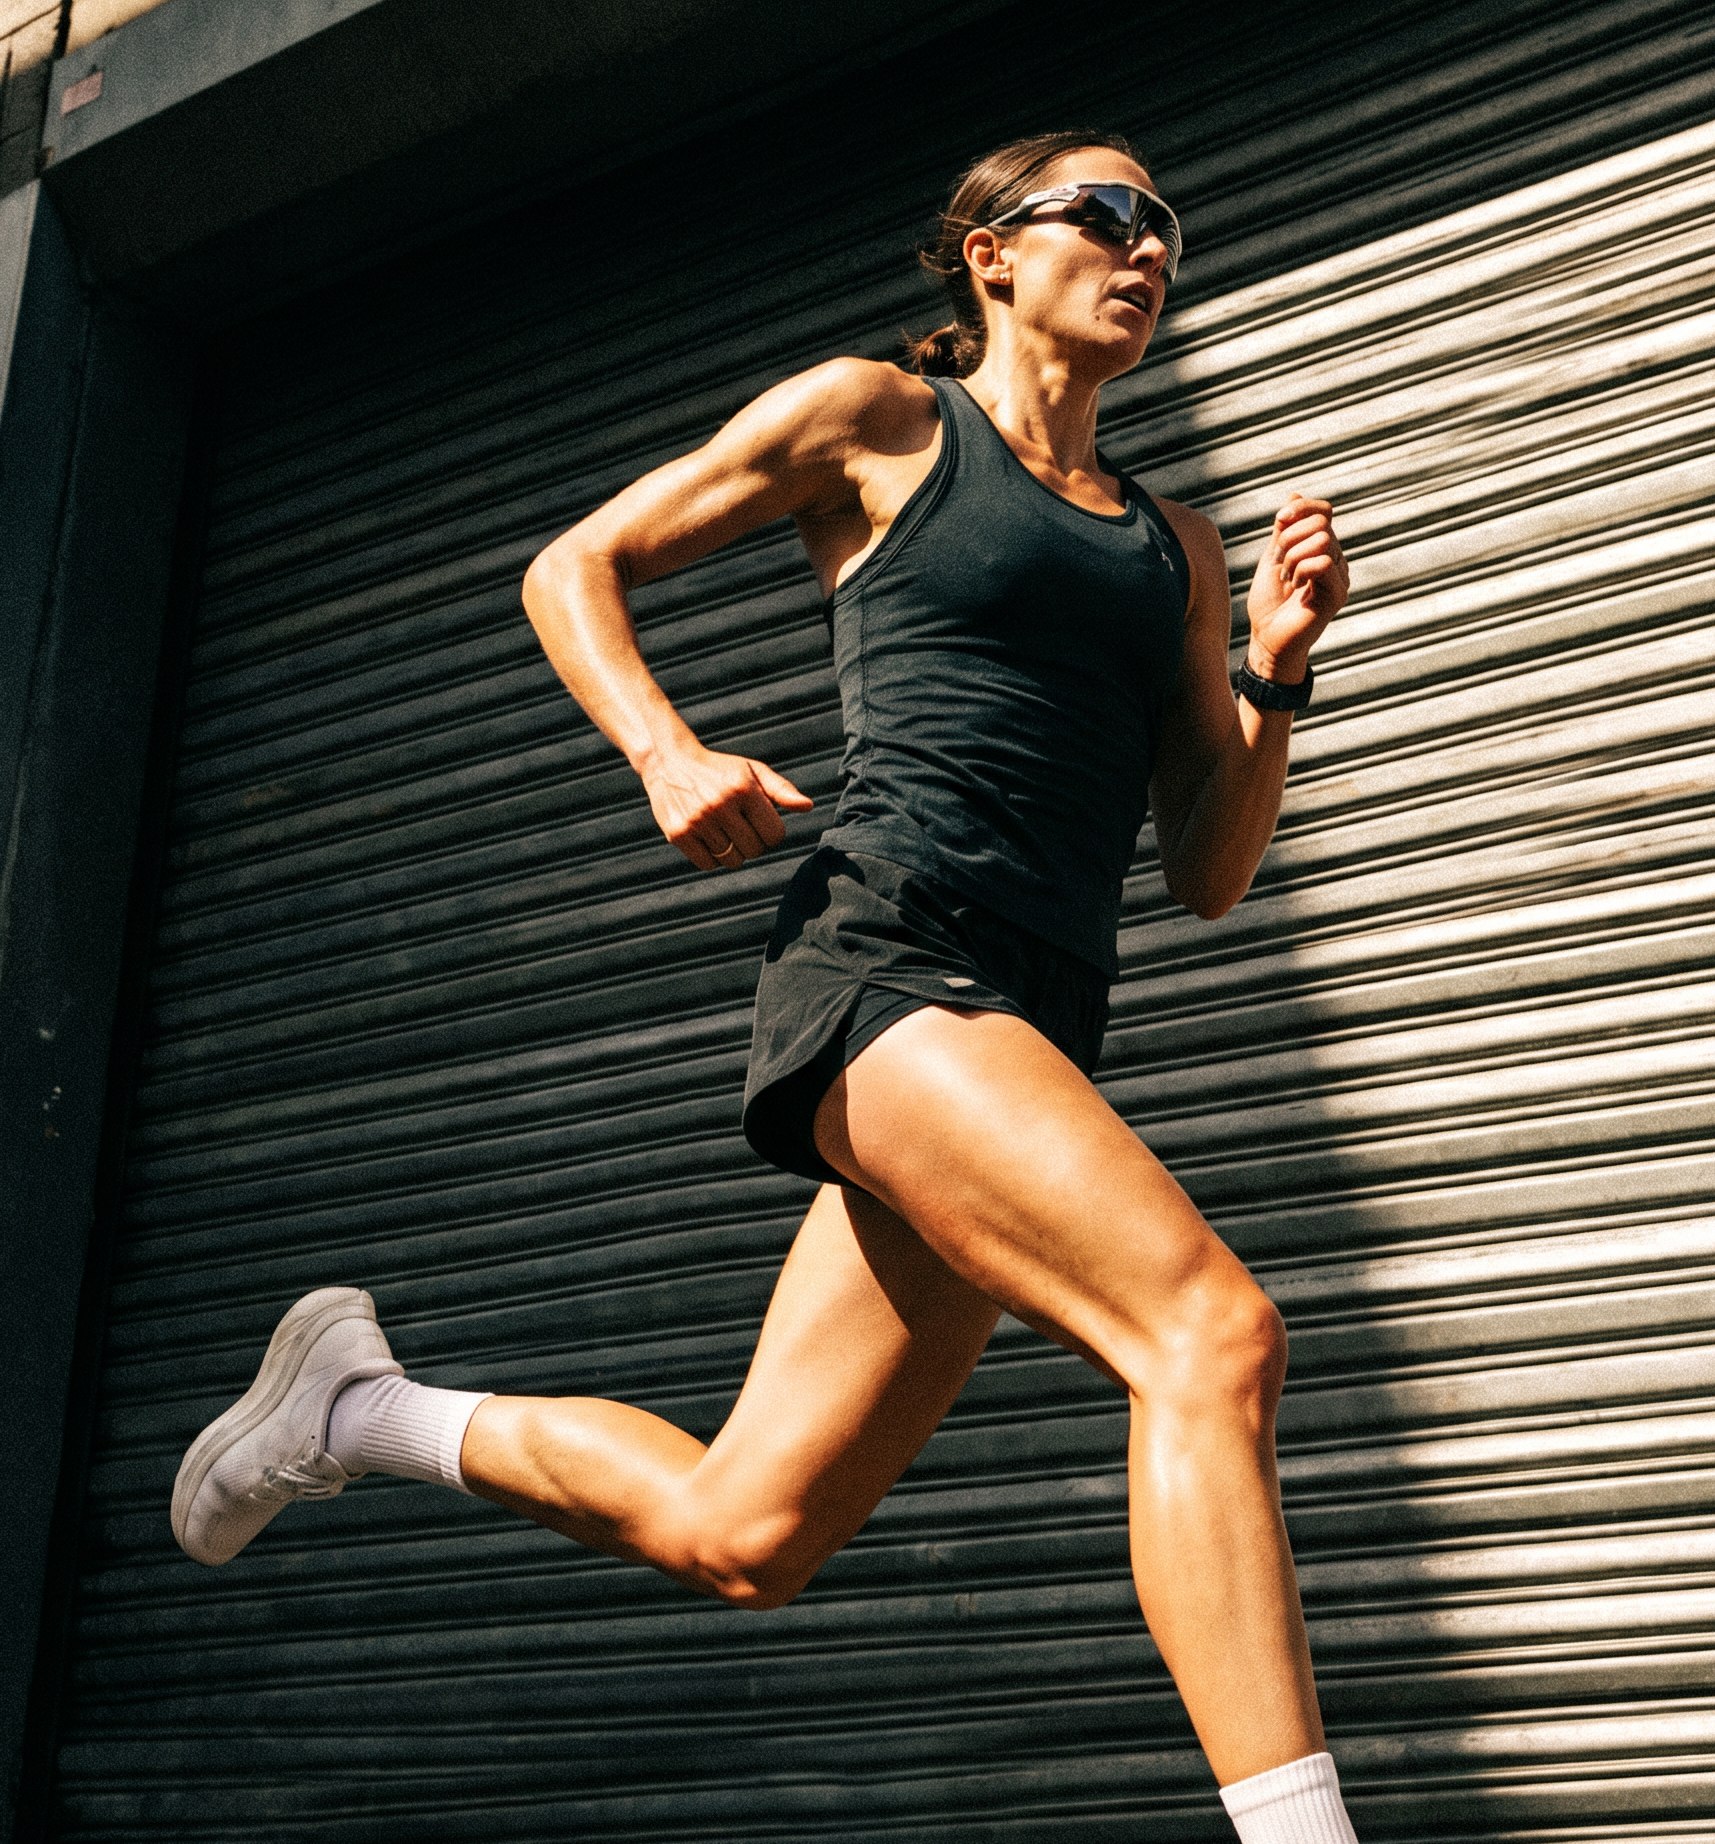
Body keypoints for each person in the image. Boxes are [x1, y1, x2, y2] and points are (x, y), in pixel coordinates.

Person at [171, 129, 1354, 1840]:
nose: (1146, 245)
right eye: (1105, 212)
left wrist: (1271, 676)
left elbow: (1208, 873)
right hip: (891, 964)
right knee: (1210, 1334)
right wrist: (666, 752)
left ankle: (362, 1410)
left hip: (1027, 1025)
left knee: (744, 1534)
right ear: (989, 252)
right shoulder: (882, 420)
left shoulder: (1176, 542)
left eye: (1164, 221)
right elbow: (572, 567)